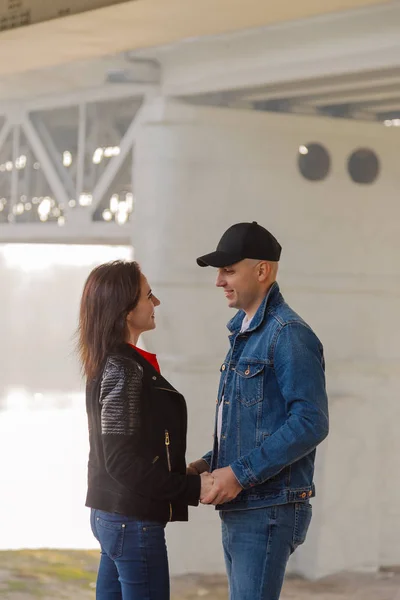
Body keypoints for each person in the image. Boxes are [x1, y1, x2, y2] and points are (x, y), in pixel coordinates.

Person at [189, 222, 329, 600]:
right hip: (246, 503)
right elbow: (252, 426)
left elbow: (310, 422)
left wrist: (237, 474)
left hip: (267, 507)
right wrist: (205, 464)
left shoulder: (288, 333)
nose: (219, 280)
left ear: (263, 270)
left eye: (229, 270)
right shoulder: (245, 333)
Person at [78, 260, 214, 600]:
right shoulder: (123, 369)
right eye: (148, 296)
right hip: (131, 520)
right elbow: (122, 462)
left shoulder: (113, 362)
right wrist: (191, 487)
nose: (156, 303)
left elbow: (129, 450)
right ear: (126, 311)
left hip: (114, 515)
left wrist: (182, 472)